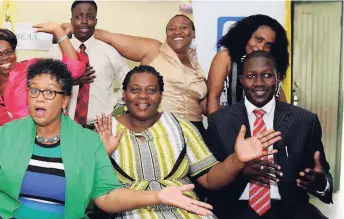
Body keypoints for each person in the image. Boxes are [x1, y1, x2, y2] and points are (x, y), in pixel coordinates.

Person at [0, 59, 215, 219]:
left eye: (49, 92)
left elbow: (106, 198)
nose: (39, 98)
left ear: (65, 99)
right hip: (6, 215)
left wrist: (158, 195)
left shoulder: (87, 142)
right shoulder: (7, 134)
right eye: (34, 90)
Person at [93, 65, 282, 219]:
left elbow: (209, 179)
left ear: (161, 96)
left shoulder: (180, 127)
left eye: (152, 90)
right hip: (130, 211)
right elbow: (89, 189)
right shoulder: (104, 130)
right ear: (124, 94)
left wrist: (237, 160)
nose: (143, 96)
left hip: (186, 211)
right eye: (135, 90)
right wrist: (103, 154)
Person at [206, 51, 332, 219]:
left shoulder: (305, 120)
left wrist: (320, 183)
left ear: (278, 78)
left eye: (266, 75)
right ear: (241, 80)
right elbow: (208, 180)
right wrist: (238, 170)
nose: (259, 83)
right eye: (251, 76)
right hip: (235, 209)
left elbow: (324, 176)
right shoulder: (219, 121)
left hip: (290, 209)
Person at [64, 15, 208, 134]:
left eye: (184, 28)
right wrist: (76, 29)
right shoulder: (153, 50)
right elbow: (109, 37)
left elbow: (204, 105)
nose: (177, 32)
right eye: (172, 28)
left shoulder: (198, 63)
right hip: (160, 127)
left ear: (193, 34)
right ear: (167, 34)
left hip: (195, 129)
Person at [0, 24, 85, 137]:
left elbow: (74, 69)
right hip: (15, 152)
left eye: (8, 52)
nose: (4, 58)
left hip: (49, 143)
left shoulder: (32, 68)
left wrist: (58, 31)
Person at [48, 0, 130, 129]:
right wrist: (70, 82)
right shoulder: (56, 51)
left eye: (90, 17)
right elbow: (46, 85)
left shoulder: (109, 52)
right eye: (78, 16)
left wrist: (114, 102)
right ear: (71, 20)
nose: (84, 21)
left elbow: (130, 82)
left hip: (101, 127)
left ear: (96, 21)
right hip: (65, 125)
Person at [207, 14, 290, 115]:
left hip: (266, 127)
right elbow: (213, 98)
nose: (261, 47)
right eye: (259, 39)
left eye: (268, 45)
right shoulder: (226, 58)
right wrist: (217, 128)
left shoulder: (271, 64)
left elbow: (283, 105)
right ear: (246, 36)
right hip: (233, 126)